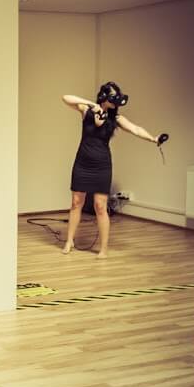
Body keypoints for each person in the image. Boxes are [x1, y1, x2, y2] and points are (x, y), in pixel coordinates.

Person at [61, 82, 162, 258]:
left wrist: (153, 138)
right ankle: (69, 241)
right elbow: (66, 98)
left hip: (102, 165)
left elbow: (136, 129)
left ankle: (103, 249)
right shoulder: (87, 111)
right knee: (76, 202)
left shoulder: (116, 119)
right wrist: (92, 104)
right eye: (113, 97)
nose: (116, 101)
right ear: (103, 97)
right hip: (82, 163)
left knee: (100, 206)